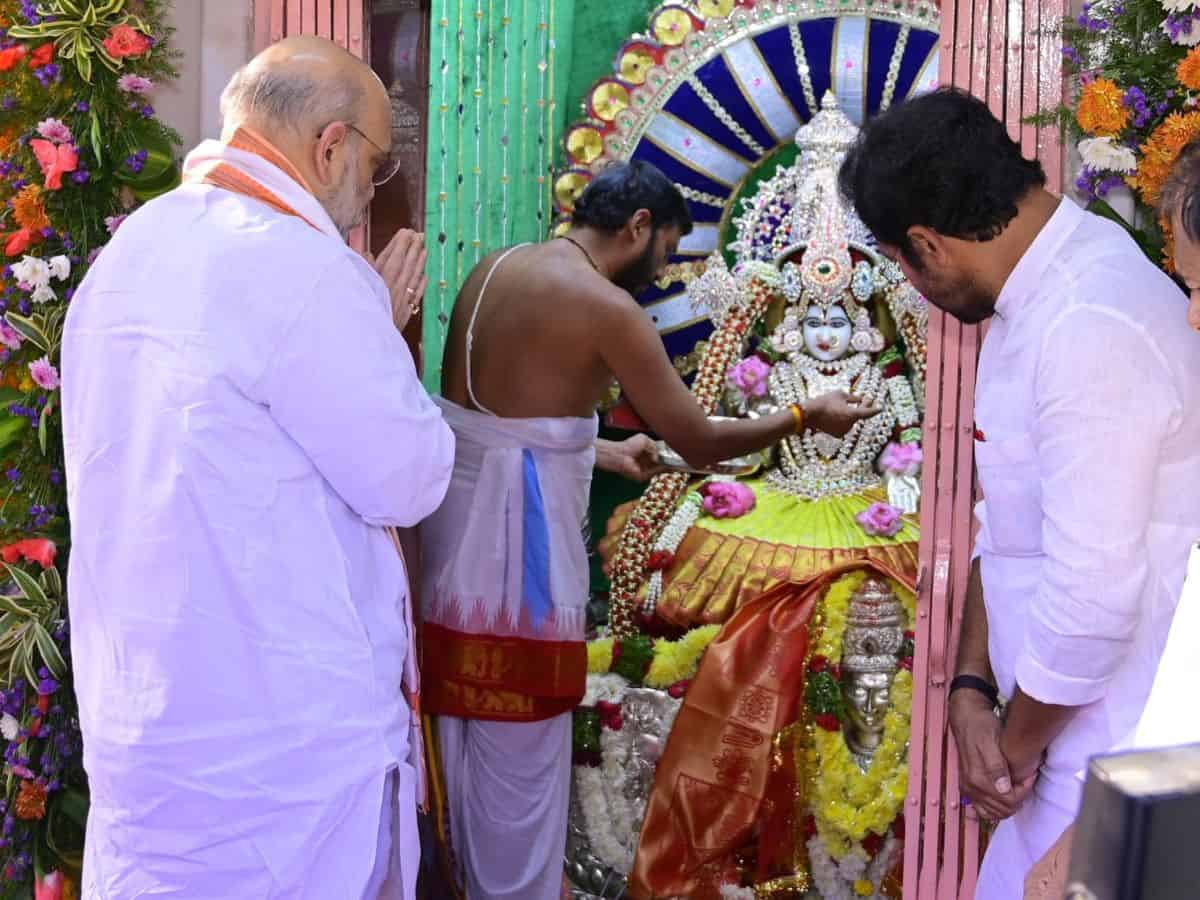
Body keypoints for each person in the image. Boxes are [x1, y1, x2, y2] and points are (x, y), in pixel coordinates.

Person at [419, 159, 876, 900]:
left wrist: (595, 448)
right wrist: (803, 414)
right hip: (515, 567)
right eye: (665, 252)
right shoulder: (605, 306)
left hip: (453, 548)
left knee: (466, 745)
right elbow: (696, 440)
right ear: (637, 228)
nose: (661, 275)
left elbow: (498, 423)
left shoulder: (495, 268)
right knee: (519, 761)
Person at [61, 36, 452, 899]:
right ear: (332, 146)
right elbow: (409, 477)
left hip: (151, 715)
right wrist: (375, 331)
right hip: (284, 743)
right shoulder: (307, 271)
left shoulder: (131, 249)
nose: (372, 190)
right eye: (379, 165)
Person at [839, 87, 1200, 899]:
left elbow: (1094, 596)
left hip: (1112, 748)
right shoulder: (1036, 305)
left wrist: (1014, 745)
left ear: (925, 244)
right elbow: (1006, 527)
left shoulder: (1088, 322)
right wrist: (972, 687)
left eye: (900, 261)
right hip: (1057, 736)